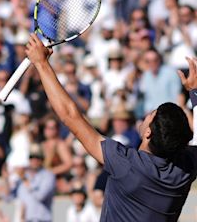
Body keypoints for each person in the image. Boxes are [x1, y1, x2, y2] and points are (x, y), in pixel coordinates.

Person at [24, 34, 197, 221]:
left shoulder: (126, 164)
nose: (147, 116)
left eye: (151, 114)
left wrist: (41, 64)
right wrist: (194, 92)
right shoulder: (186, 168)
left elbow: (70, 116)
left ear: (148, 132)